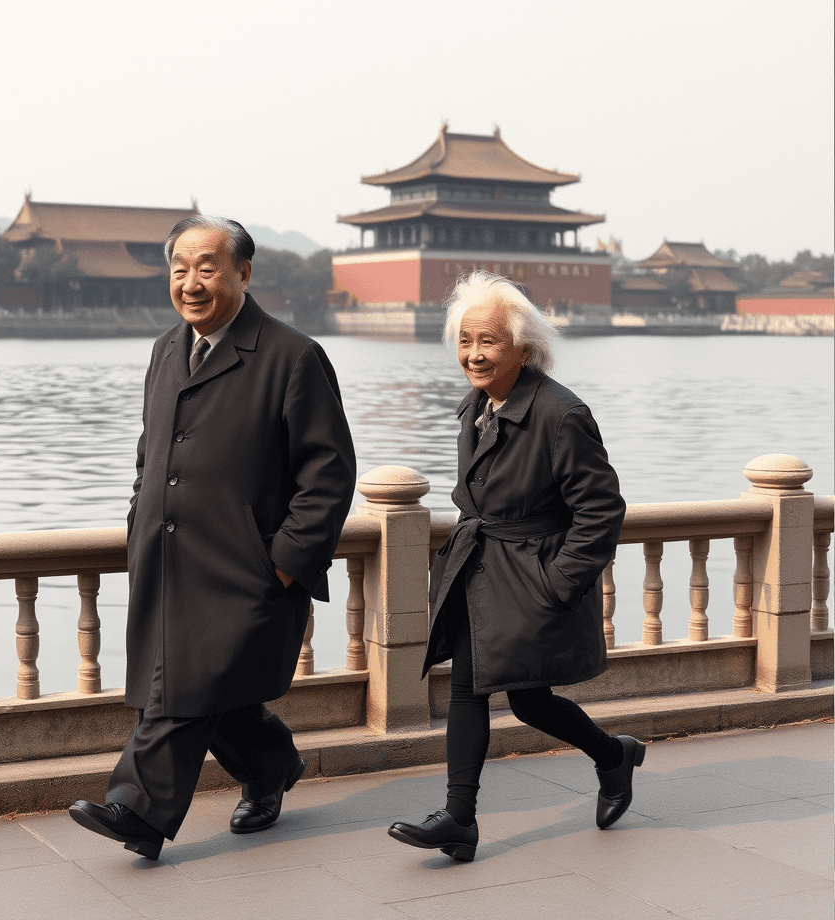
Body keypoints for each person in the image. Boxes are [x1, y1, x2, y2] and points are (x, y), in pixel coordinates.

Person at [70, 215, 356, 860]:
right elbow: (151, 456)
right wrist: (138, 524)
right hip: (170, 563)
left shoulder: (293, 356)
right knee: (214, 699)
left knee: (181, 694)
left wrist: (283, 564)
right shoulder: (166, 349)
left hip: (246, 569)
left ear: (244, 274)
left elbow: (329, 475)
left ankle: (138, 812)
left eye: (207, 268)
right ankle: (271, 770)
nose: (191, 283)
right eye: (179, 269)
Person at [388, 271, 640, 863]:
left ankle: (608, 757)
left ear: (523, 349)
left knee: (521, 700)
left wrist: (559, 586)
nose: (473, 354)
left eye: (489, 341)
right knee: (483, 690)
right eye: (466, 340)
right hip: (482, 568)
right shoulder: (478, 404)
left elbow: (601, 511)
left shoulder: (560, 414)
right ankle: (463, 817)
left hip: (532, 575)